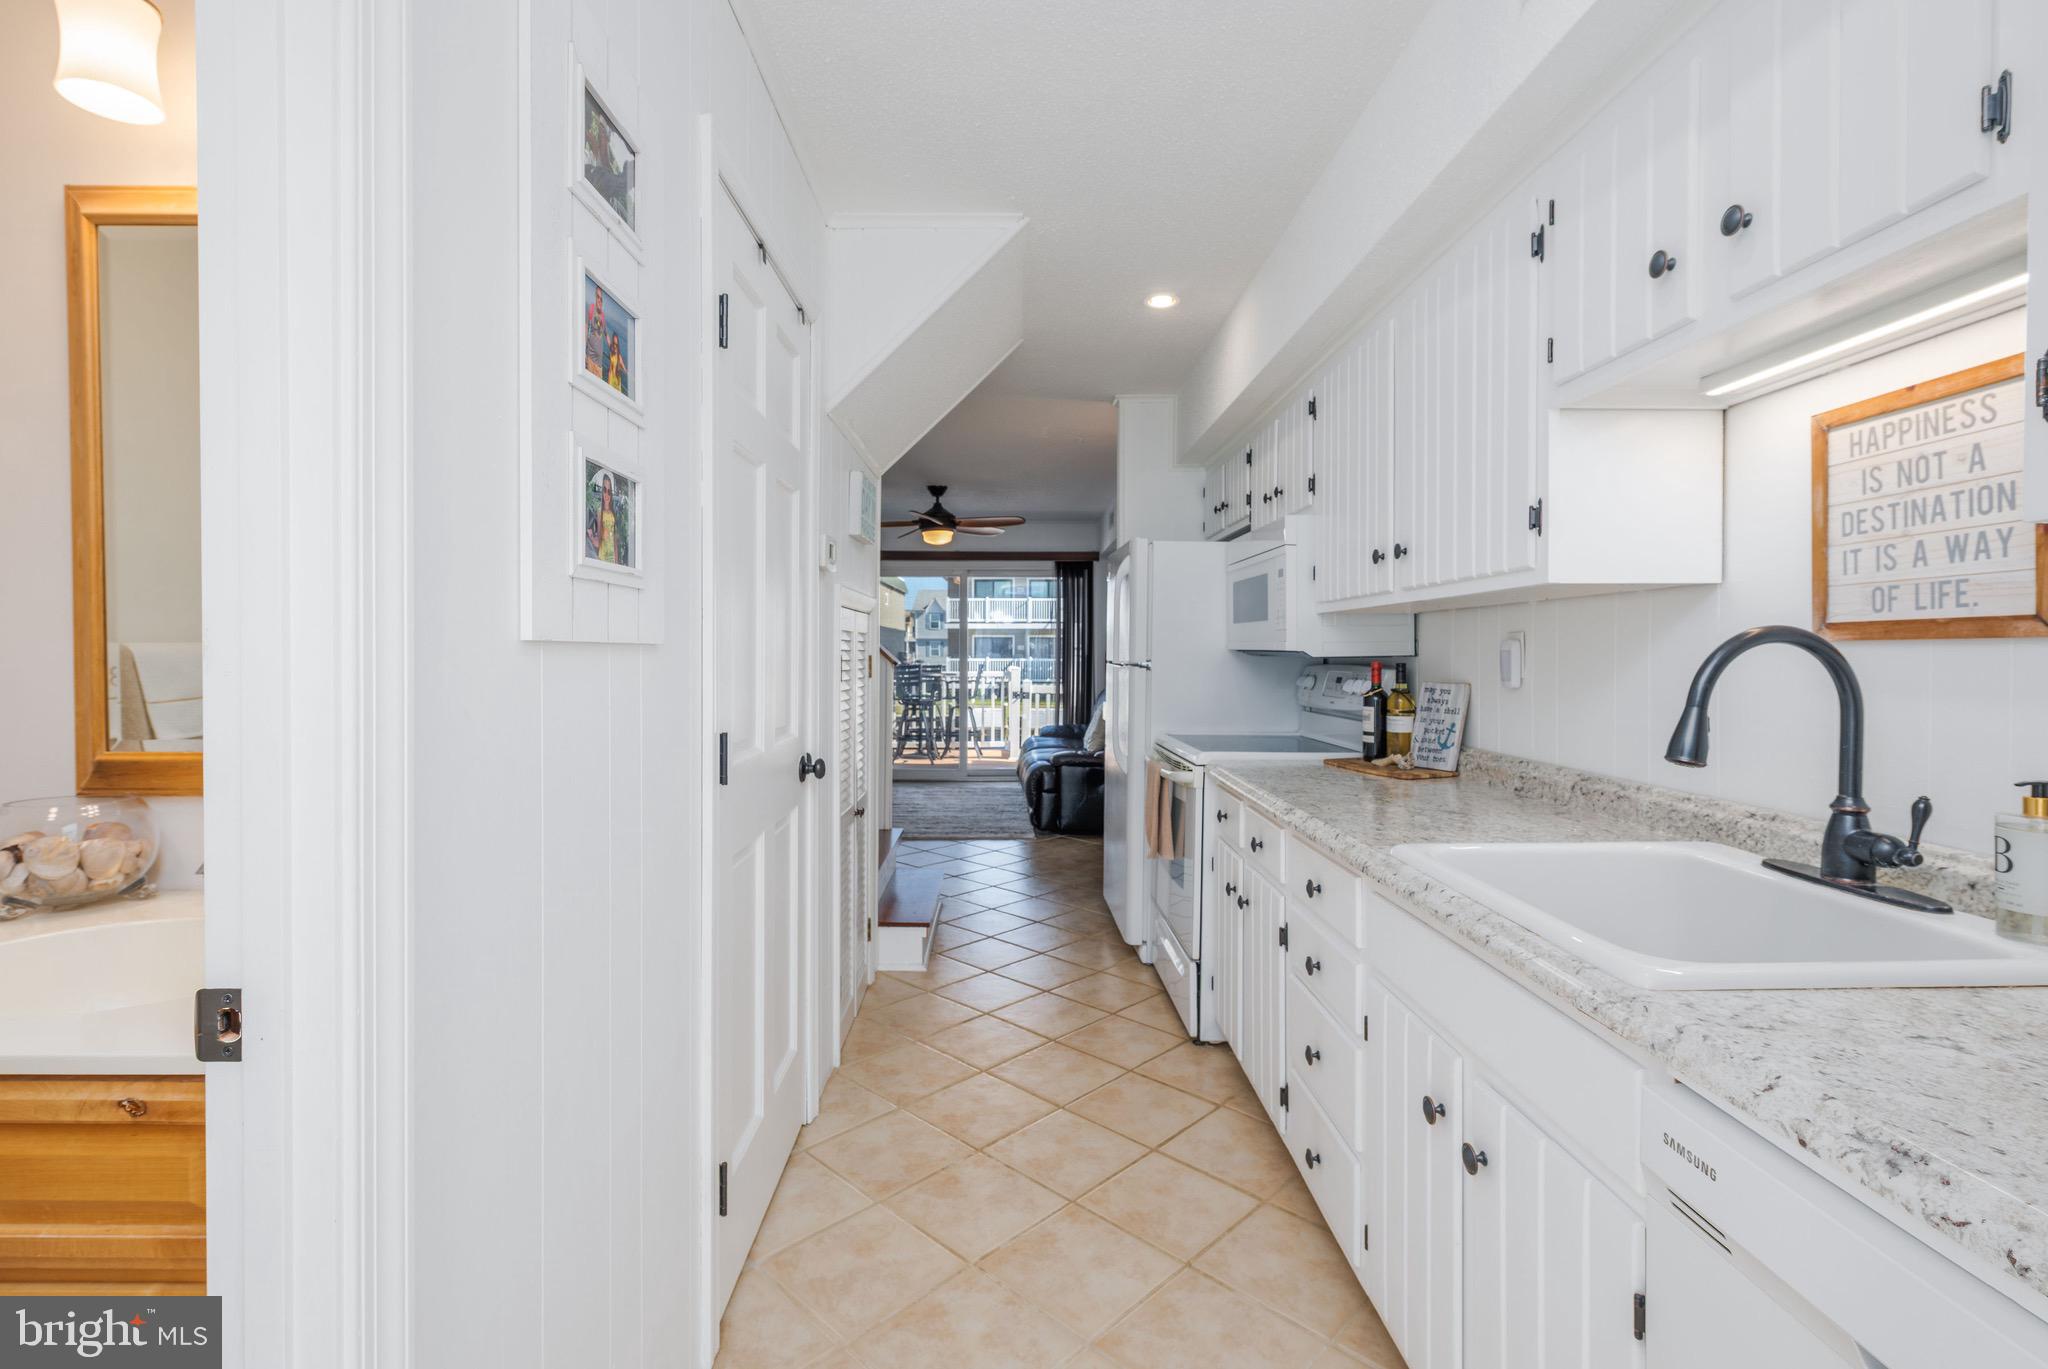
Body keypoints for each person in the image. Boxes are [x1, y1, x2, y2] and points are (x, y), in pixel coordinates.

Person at [585, 289, 607, 378]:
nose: (599, 300)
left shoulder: (602, 316)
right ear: (595, 297)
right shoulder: (590, 309)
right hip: (590, 359)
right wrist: (584, 353)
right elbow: (586, 328)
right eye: (598, 297)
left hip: (599, 365)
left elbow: (606, 334)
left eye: (601, 298)